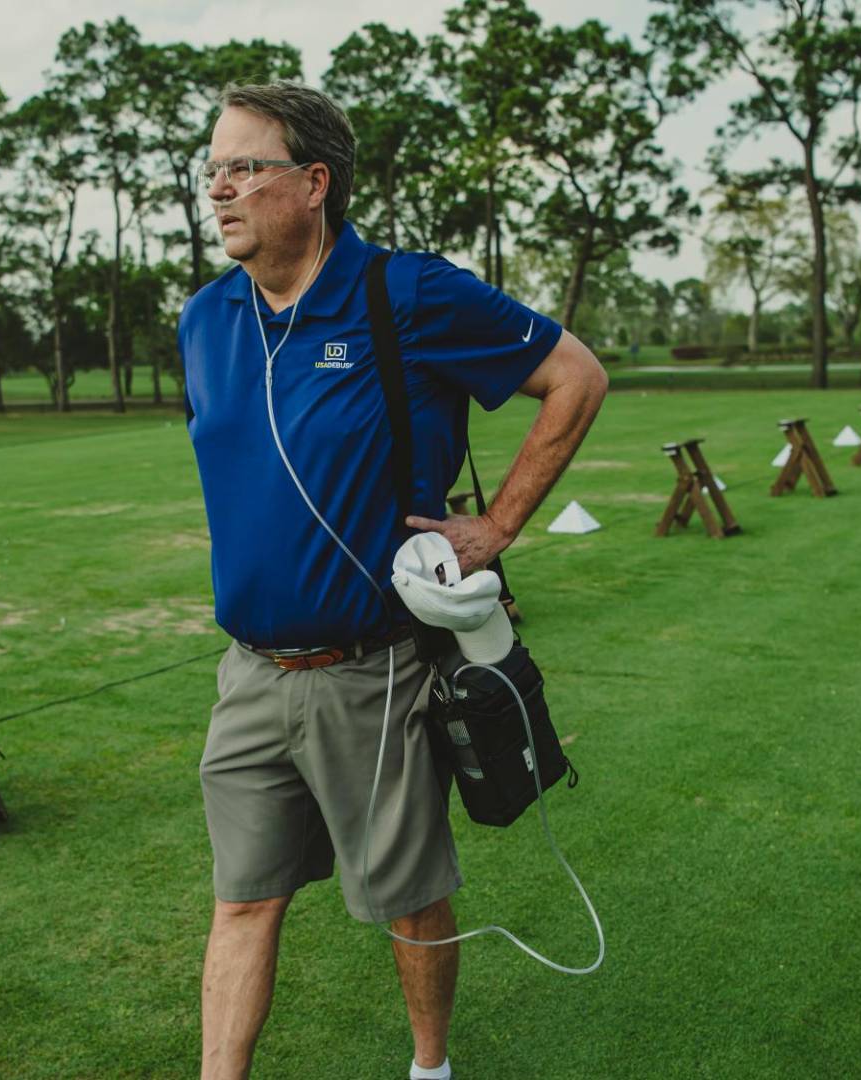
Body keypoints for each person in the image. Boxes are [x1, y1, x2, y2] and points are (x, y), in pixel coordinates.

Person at [177, 82, 608, 1079]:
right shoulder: (204, 320)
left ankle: (429, 1067)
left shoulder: (404, 293)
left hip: (375, 670)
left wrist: (497, 526)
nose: (220, 188)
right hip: (248, 675)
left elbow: (575, 376)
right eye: (212, 169)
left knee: (408, 899)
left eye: (244, 167)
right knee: (242, 899)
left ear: (314, 182)